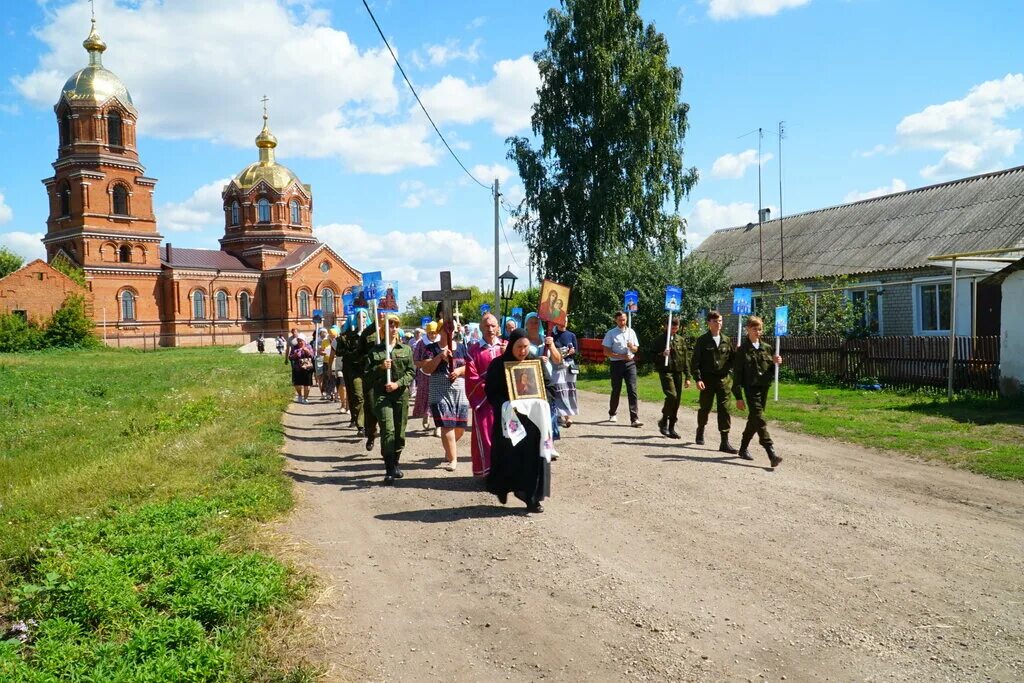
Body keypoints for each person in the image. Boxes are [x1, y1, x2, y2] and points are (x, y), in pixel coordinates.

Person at [485, 328, 550, 513]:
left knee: (532, 460)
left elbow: (548, 385)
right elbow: (491, 392)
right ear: (511, 346)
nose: (523, 351)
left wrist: (543, 402)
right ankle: (503, 488)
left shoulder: (535, 363)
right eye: (519, 347)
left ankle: (532, 498)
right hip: (509, 421)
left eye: (526, 347)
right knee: (508, 458)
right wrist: (505, 404)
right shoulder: (498, 365)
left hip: (533, 423)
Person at [365, 314, 415, 484]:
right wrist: (380, 368)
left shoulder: (406, 349)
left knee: (400, 433)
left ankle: (395, 463)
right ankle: (388, 468)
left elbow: (411, 372)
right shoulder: (376, 352)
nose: (392, 328)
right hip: (382, 396)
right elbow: (367, 377)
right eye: (389, 325)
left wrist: (398, 384)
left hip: (400, 395)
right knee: (388, 430)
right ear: (383, 329)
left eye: (395, 325)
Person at [732, 316, 784, 468]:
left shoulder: (767, 348)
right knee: (759, 418)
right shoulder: (742, 350)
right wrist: (738, 397)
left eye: (759, 329)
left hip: (764, 388)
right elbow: (737, 375)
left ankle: (742, 448)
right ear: (747, 329)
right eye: (754, 329)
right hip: (750, 389)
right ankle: (771, 452)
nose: (757, 332)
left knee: (754, 419)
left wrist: (777, 363)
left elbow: (770, 370)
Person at [422, 322, 470, 471]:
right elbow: (426, 368)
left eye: (453, 328)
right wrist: (439, 357)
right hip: (439, 390)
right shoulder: (431, 348)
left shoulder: (462, 347)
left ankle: (449, 448)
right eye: (447, 328)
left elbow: (471, 366)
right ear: (440, 330)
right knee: (446, 425)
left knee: (460, 427)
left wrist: (460, 370)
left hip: (459, 390)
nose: (451, 331)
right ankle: (453, 459)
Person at [692, 310, 738, 454]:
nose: (719, 324)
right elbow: (695, 362)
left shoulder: (726, 339)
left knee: (724, 409)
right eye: (715, 321)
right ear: (709, 323)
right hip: (707, 380)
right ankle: (700, 429)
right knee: (705, 408)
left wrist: (738, 353)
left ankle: (724, 441)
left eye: (720, 321)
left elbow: (732, 360)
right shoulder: (702, 340)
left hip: (723, 380)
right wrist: (698, 379)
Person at [466, 313, 505, 478]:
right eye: (487, 326)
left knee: (507, 436)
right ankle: (489, 472)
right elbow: (471, 378)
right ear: (481, 328)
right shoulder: (473, 351)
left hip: (505, 401)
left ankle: (506, 471)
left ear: (498, 328)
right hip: (485, 401)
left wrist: (509, 356)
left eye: (493, 325)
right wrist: (489, 388)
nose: (490, 329)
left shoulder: (507, 347)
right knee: (486, 437)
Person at [525, 313, 563, 457]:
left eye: (537, 322)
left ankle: (549, 444)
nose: (535, 325)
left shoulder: (546, 340)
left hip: (547, 381)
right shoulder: (523, 341)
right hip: (530, 382)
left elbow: (558, 360)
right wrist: (536, 359)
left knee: (550, 413)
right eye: (532, 322)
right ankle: (532, 445)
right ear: (526, 324)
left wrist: (551, 345)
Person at [649, 317, 691, 439]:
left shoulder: (680, 340)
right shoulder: (659, 340)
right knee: (672, 396)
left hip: (678, 373)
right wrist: (662, 354)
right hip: (666, 372)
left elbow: (685, 359)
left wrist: (688, 376)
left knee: (677, 401)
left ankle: (671, 427)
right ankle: (663, 422)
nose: (674, 329)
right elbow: (650, 356)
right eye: (672, 327)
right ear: (666, 326)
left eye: (676, 327)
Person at [601, 311, 643, 427]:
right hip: (616, 364)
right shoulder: (611, 333)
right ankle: (612, 412)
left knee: (632, 390)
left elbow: (635, 349)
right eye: (620, 320)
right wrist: (620, 356)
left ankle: (634, 419)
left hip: (630, 364)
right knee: (616, 389)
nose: (622, 322)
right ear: (616, 320)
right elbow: (606, 352)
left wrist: (631, 346)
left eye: (624, 319)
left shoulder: (631, 332)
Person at [339, 310, 368, 434]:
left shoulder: (373, 334)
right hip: (354, 370)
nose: (362, 319)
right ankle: (360, 425)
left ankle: (367, 422)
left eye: (364, 317)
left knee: (368, 397)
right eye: (359, 317)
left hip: (369, 371)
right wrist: (353, 354)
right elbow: (341, 351)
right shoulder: (349, 336)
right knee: (357, 395)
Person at [551, 324, 579, 428]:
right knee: (559, 390)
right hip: (557, 366)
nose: (563, 323)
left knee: (569, 390)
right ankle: (561, 415)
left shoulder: (571, 335)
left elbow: (576, 350)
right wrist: (563, 353)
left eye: (565, 321)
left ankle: (568, 416)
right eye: (562, 321)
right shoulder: (553, 335)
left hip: (569, 366)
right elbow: (552, 352)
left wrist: (572, 351)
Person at [412, 322, 439, 431]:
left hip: (438, 374)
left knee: (438, 398)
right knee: (427, 396)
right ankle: (426, 414)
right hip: (425, 374)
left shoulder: (440, 342)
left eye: (435, 333)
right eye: (431, 333)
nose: (433, 335)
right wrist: (425, 363)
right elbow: (416, 360)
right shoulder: (421, 343)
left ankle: (439, 425)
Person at [288, 333, 315, 403]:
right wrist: (295, 355)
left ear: (304, 341)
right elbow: (290, 357)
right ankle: (300, 395)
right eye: (298, 340)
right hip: (297, 368)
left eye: (301, 341)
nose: (300, 342)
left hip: (307, 368)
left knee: (307, 384)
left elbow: (312, 356)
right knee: (297, 385)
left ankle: (305, 398)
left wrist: (307, 351)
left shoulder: (308, 346)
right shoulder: (294, 347)